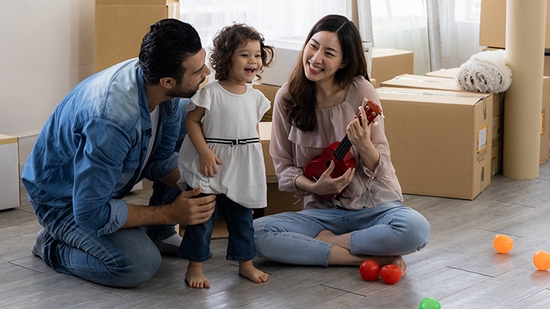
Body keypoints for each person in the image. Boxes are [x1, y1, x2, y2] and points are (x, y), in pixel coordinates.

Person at [21, 19, 217, 288]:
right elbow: (91, 212)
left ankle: (159, 234)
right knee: (138, 264)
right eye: (197, 71)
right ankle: (52, 245)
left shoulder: (163, 90)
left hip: (100, 191)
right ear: (168, 81)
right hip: (63, 201)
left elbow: (158, 161)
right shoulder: (112, 121)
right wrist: (172, 213)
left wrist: (203, 184)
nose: (206, 71)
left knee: (193, 114)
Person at [253, 14, 430, 275]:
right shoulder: (287, 97)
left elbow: (381, 165)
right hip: (321, 214)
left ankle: (330, 246)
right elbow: (283, 167)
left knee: (416, 228)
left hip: (372, 208)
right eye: (313, 46)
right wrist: (315, 186)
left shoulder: (361, 91)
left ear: (344, 61)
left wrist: (364, 145)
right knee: (255, 233)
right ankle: (367, 258)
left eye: (329, 53)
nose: (315, 58)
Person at [176, 23, 274, 288]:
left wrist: (253, 170)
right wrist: (204, 152)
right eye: (244, 54)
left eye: (256, 54)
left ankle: (245, 263)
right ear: (225, 57)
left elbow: (252, 134)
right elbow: (192, 122)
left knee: (243, 219)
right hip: (213, 167)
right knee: (203, 219)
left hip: (241, 168)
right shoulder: (211, 93)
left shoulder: (256, 98)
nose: (252, 60)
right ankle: (194, 266)